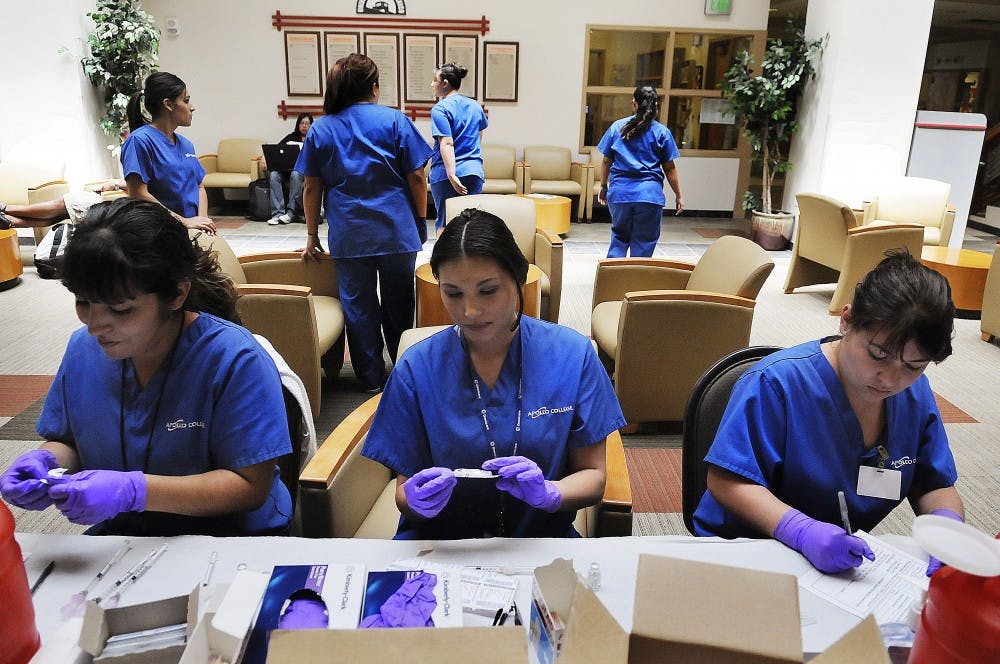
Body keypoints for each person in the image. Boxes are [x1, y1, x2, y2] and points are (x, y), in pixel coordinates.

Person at [0, 198, 292, 536]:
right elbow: (69, 440)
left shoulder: (234, 359)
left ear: (177, 294)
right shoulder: (84, 349)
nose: (95, 326)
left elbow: (249, 486)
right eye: (83, 303)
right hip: (128, 532)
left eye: (120, 309)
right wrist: (47, 463)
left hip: (228, 536)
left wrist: (134, 492)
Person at [693, 251, 966, 575]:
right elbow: (725, 481)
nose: (891, 379)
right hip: (745, 549)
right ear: (847, 320)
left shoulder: (914, 396)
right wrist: (800, 530)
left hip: (838, 563)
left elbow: (934, 485)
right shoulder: (777, 384)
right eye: (878, 354)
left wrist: (948, 531)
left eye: (913, 365)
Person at [361, 209, 626, 539]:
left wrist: (551, 493)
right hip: (441, 542)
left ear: (518, 281)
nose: (470, 311)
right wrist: (415, 501)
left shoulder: (573, 356)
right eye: (453, 293)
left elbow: (593, 474)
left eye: (487, 291)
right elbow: (404, 490)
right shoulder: (417, 367)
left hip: (538, 539)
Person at [299, 53, 432, 392]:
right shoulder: (394, 121)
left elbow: (312, 186)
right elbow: (417, 177)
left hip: (349, 234)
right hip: (395, 229)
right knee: (399, 303)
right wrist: (419, 220)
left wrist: (312, 234)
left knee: (358, 307)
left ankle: (370, 379)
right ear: (374, 88)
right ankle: (404, 374)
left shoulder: (321, 128)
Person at [121, 71, 216, 234]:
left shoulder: (186, 145)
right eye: (186, 101)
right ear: (168, 104)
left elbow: (199, 186)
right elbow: (138, 194)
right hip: (160, 232)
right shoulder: (139, 141)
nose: (192, 107)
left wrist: (202, 222)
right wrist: (183, 222)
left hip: (191, 230)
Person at [597, 85, 683, 258]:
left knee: (619, 238)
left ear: (634, 104)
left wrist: (604, 186)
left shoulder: (617, 128)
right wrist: (678, 195)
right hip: (649, 197)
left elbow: (606, 160)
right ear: (655, 105)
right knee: (644, 243)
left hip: (621, 194)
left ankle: (613, 280)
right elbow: (669, 168)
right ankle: (637, 282)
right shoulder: (662, 133)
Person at [429, 62, 488, 234]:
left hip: (446, 174)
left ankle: (443, 261)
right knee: (471, 223)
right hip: (473, 172)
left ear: (445, 83)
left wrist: (452, 174)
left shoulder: (440, 108)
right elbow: (479, 135)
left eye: (434, 81)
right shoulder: (475, 106)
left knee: (445, 223)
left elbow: (447, 143)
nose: (432, 84)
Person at [0, 180, 125, 230]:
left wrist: (116, 184)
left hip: (113, 206)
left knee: (65, 203)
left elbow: (129, 186)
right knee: (58, 216)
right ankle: (10, 221)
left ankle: (6, 209)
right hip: (115, 204)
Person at [263, 112, 313, 225]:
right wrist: (264, 158)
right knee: (274, 174)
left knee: (295, 174)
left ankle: (291, 212)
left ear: (311, 125)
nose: (304, 126)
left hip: (303, 171)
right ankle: (277, 214)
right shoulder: (291, 137)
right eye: (302, 123)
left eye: (307, 123)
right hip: (286, 169)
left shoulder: (313, 138)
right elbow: (276, 150)